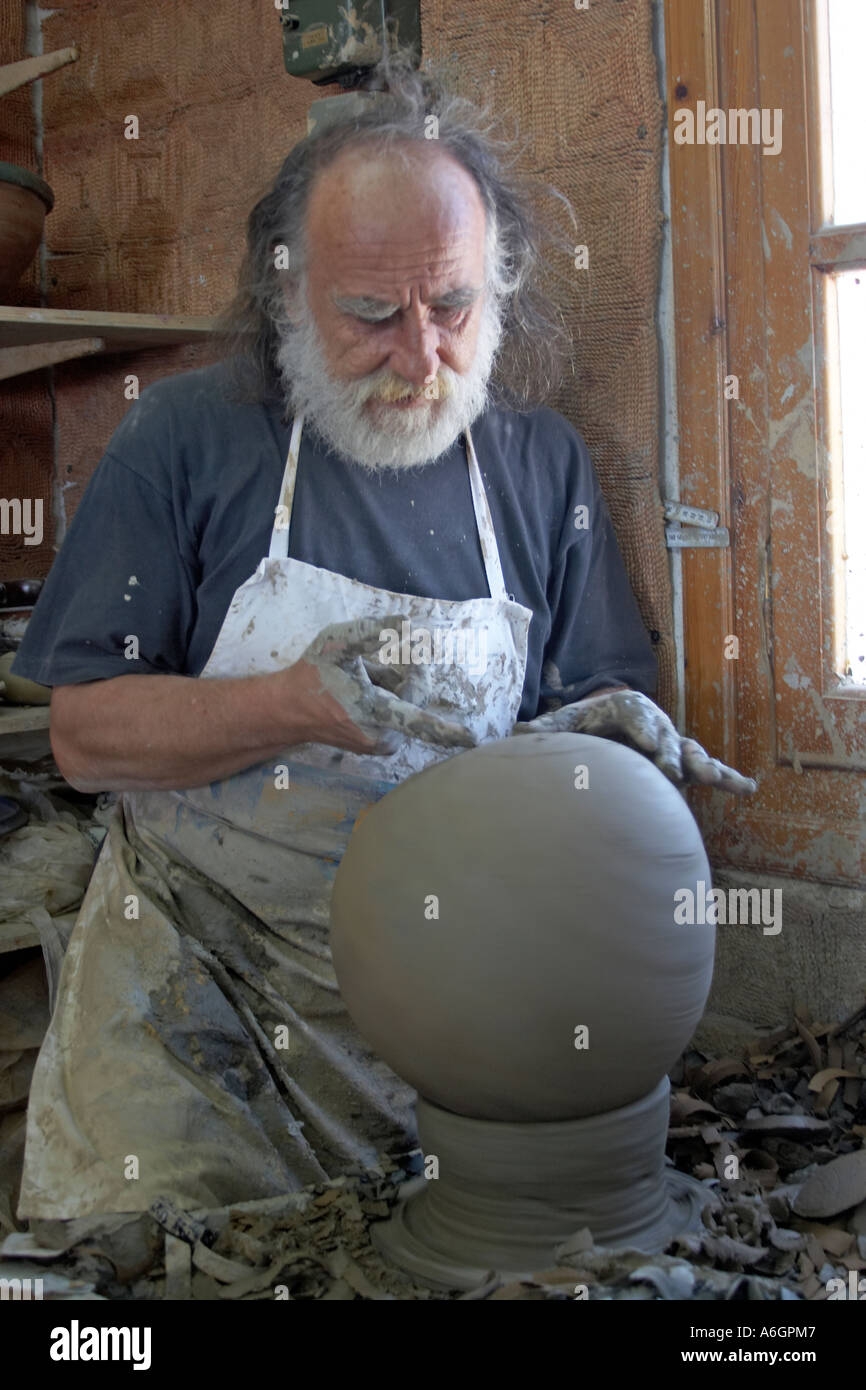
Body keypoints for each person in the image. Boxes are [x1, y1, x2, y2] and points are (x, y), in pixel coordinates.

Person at [11, 51, 754, 1223]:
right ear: (285, 296)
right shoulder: (186, 443)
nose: (418, 357)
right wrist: (289, 704)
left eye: (451, 307)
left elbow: (588, 730)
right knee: (145, 1264)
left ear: (498, 283)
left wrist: (586, 749)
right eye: (368, 315)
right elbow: (82, 737)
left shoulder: (537, 465)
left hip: (454, 1018)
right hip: (203, 993)